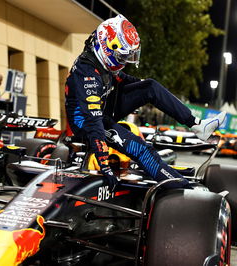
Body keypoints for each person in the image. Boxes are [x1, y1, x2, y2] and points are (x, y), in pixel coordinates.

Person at [65, 14, 226, 188]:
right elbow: (93, 120)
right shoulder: (87, 73)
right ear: (106, 47)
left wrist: (146, 87)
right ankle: (183, 189)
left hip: (102, 111)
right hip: (86, 124)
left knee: (150, 86)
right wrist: (104, 164)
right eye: (121, 57)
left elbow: (121, 79)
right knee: (141, 149)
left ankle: (197, 125)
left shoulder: (100, 61)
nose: (124, 62)